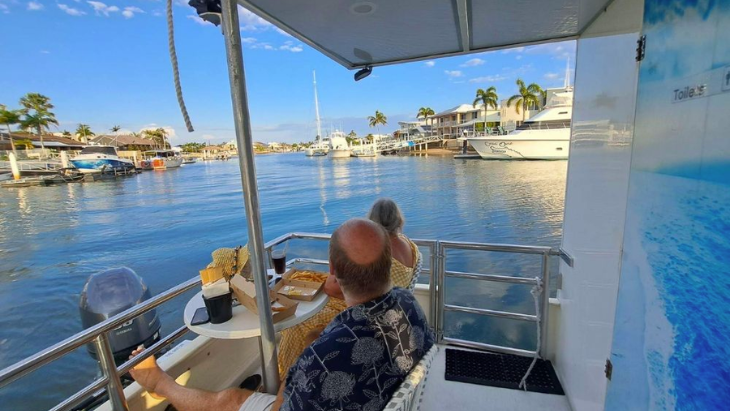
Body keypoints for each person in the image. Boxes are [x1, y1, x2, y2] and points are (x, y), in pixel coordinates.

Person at [129, 218, 433, 411]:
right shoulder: (408, 304)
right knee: (312, 335)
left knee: (230, 399)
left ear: (332, 270)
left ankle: (159, 384)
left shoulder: (319, 364)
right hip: (394, 392)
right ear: (387, 266)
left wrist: (290, 382)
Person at [277, 198, 421, 378]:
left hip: (365, 314)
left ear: (373, 222)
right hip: (388, 310)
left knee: (297, 325)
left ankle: (289, 376)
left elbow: (332, 289)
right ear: (398, 219)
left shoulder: (377, 253)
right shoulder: (410, 246)